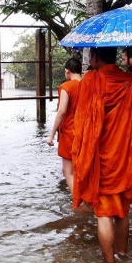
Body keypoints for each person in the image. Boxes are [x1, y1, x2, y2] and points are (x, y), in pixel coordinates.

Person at [72, 47, 132, 263]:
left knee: (104, 215)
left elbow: (82, 127)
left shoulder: (89, 81)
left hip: (100, 160)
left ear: (96, 57)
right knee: (123, 213)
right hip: (126, 157)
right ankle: (123, 256)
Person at [46, 58, 82, 192]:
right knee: (81, 169)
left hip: (70, 132)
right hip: (86, 131)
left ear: (67, 71)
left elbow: (62, 111)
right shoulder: (89, 84)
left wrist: (52, 134)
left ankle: (79, 205)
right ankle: (87, 202)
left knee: (68, 171)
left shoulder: (66, 87)